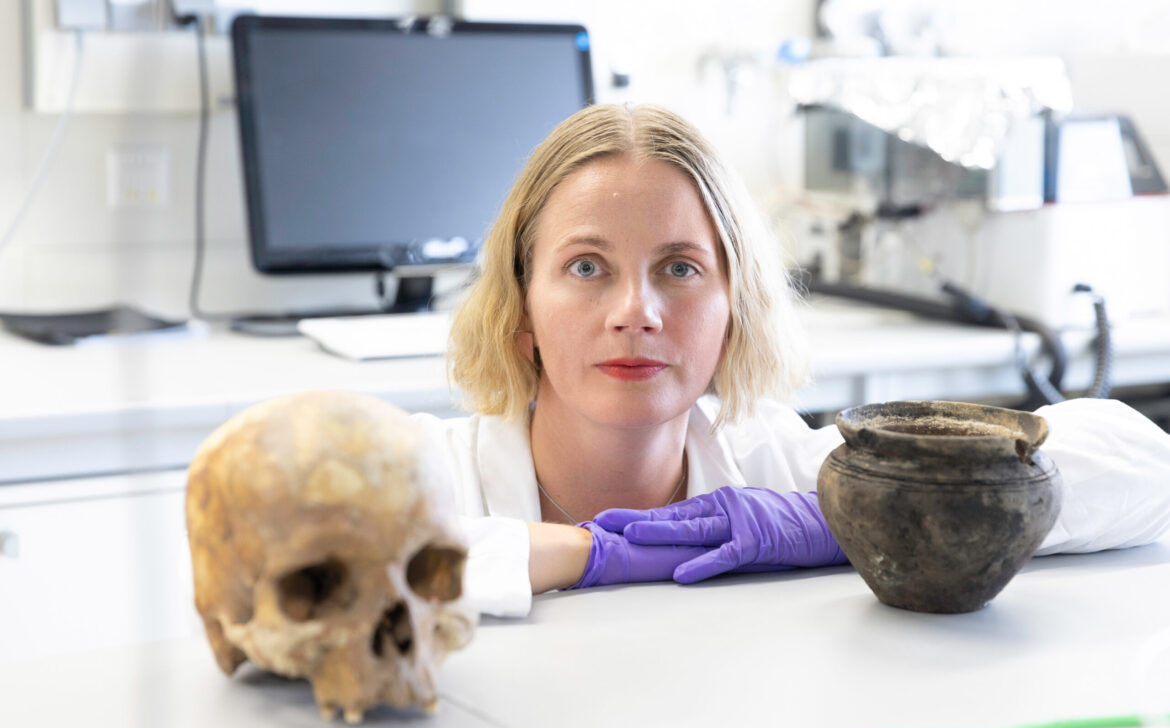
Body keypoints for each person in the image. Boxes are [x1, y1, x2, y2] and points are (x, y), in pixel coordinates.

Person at [411, 103, 1170, 619]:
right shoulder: (427, 473)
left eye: (680, 268)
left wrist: (827, 520)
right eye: (586, 267)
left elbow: (1143, 469)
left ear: (734, 309)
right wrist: (597, 553)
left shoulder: (771, 467)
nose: (635, 311)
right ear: (520, 310)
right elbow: (319, 558)